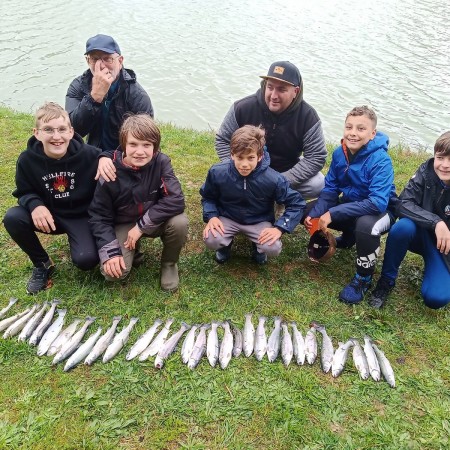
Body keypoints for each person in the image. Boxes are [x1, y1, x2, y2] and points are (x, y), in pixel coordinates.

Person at [3, 102, 100, 294]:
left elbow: (113, 156)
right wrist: (34, 205)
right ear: (36, 133)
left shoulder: (90, 155)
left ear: (71, 132)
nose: (57, 137)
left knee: (86, 260)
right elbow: (24, 191)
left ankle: (84, 244)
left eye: (62, 129)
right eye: (48, 130)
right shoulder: (26, 160)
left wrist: (105, 156)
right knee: (13, 218)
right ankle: (42, 264)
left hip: (81, 216)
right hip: (50, 217)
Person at [304, 106, 397, 304]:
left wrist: (333, 213)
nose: (353, 133)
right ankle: (348, 239)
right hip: (352, 204)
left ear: (372, 134)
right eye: (349, 127)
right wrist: (318, 214)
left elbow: (377, 203)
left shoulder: (381, 160)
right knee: (309, 210)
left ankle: (363, 278)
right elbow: (330, 189)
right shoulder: (339, 154)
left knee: (365, 225)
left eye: (361, 129)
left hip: (382, 212)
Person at [88, 114, 188, 291]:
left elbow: (176, 199)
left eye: (147, 145)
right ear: (124, 145)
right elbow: (99, 216)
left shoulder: (161, 162)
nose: (140, 152)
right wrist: (110, 253)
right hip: (123, 223)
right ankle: (134, 251)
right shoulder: (109, 170)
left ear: (155, 148)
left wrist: (141, 227)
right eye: (133, 144)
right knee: (112, 274)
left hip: (152, 219)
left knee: (179, 222)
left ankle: (169, 264)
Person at [215, 61, 327, 200]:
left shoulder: (308, 116)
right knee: (218, 173)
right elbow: (223, 139)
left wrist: (280, 180)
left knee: (319, 183)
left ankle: (277, 196)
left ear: (295, 91)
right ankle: (250, 191)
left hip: (285, 172)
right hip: (247, 167)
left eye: (281, 89)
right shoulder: (242, 107)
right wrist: (239, 169)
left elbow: (316, 156)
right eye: (270, 87)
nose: (274, 95)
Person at [201, 125, 305, 264]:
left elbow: (297, 204)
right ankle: (225, 246)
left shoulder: (274, 179)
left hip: (259, 220)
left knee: (272, 247)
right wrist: (212, 216)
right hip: (227, 216)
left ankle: (258, 249)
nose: (244, 164)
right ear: (232, 154)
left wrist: (280, 228)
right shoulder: (217, 172)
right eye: (240, 157)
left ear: (260, 156)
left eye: (250, 158)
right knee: (211, 239)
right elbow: (208, 197)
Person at [369, 132, 450, 309]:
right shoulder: (426, 171)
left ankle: (436, 270)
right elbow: (402, 203)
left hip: (445, 248)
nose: (445, 165)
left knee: (435, 298)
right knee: (402, 227)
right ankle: (387, 280)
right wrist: (436, 222)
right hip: (420, 234)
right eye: (440, 158)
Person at [66, 34, 153, 154]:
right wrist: (94, 97)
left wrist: (108, 157)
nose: (101, 66)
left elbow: (145, 141)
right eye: (95, 59)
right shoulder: (78, 86)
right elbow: (72, 131)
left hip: (124, 157)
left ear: (120, 61)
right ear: (88, 61)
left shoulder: (137, 96)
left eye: (107, 59)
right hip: (90, 153)